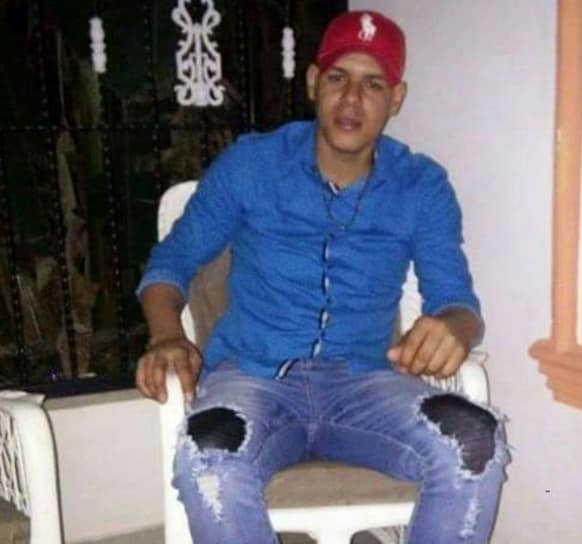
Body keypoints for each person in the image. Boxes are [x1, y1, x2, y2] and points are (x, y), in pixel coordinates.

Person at [136, 9, 509, 543]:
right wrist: (166, 336)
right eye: (338, 78)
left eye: (373, 84)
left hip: (367, 385)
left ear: (396, 97)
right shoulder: (251, 165)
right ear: (314, 81)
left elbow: (457, 301)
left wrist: (454, 328)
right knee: (210, 458)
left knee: (475, 443)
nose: (352, 99)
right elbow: (171, 261)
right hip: (253, 379)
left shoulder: (421, 187)